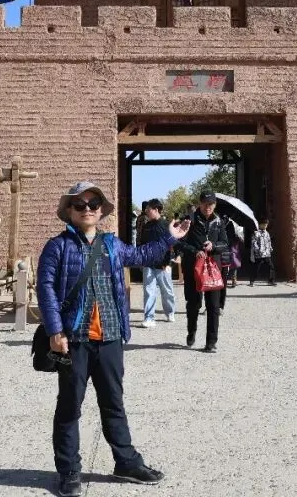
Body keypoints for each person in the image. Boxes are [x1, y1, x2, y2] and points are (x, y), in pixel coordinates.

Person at [36, 181, 191, 497]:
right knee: (69, 406)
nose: (87, 209)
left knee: (113, 403)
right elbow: (46, 290)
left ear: (100, 211)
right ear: (69, 211)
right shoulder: (57, 247)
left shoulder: (111, 244)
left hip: (109, 337)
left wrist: (169, 237)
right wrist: (55, 330)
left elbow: (142, 254)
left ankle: (126, 463)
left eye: (93, 204)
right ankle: (69, 471)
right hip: (74, 340)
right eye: (80, 205)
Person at [179, 191, 229, 353]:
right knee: (194, 304)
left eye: (211, 204)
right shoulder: (189, 220)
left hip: (213, 268)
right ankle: (191, 331)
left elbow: (225, 243)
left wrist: (214, 246)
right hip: (193, 267)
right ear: (200, 204)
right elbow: (180, 243)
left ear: (215, 204)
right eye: (205, 203)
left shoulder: (219, 221)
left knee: (213, 306)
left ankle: (211, 342)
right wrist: (195, 251)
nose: (208, 207)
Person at [138, 199, 175, 327]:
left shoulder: (166, 225)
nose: (146, 212)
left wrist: (168, 262)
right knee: (149, 291)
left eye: (148, 209)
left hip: (163, 264)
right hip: (149, 263)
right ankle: (149, 318)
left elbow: (172, 245)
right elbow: (142, 244)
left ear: (156, 210)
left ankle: (170, 312)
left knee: (167, 291)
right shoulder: (146, 226)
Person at [250, 219, 276, 286]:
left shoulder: (267, 233)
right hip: (259, 254)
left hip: (267, 254)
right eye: (264, 224)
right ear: (260, 225)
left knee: (271, 267)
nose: (265, 226)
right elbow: (254, 242)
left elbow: (269, 241)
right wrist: (257, 250)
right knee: (256, 268)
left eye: (266, 224)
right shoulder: (256, 233)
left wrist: (270, 248)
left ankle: (271, 281)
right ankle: (252, 281)